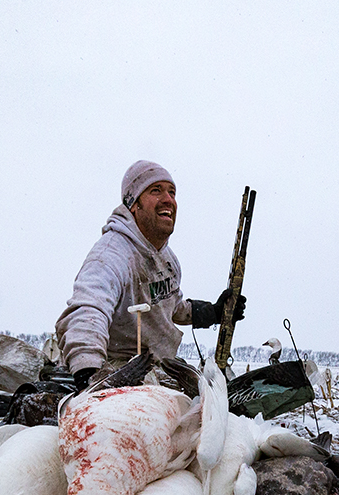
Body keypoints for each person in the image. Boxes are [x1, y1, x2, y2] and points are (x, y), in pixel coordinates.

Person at [55, 160, 245, 389]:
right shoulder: (110, 256)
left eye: (172, 192)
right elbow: (88, 311)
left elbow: (171, 307)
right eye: (156, 190)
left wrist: (213, 312)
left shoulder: (166, 259)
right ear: (133, 204)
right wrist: (90, 375)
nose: (168, 199)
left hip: (158, 366)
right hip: (117, 370)